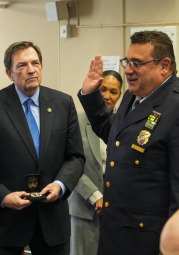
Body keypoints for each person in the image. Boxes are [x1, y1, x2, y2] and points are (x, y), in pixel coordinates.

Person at [77, 31, 179, 255]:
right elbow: (115, 135)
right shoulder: (133, 97)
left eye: (137, 63)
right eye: (127, 61)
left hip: (149, 244)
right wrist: (90, 94)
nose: (127, 70)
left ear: (164, 65)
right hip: (115, 237)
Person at [0, 41, 85, 255]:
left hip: (52, 222)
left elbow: (75, 157)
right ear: (9, 73)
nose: (31, 69)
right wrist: (4, 197)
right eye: (22, 65)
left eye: (35, 63)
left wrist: (60, 185)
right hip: (6, 224)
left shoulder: (63, 103)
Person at [68, 70, 123, 255]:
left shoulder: (126, 124)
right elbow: (69, 162)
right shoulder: (75, 119)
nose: (107, 96)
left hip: (117, 211)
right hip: (84, 209)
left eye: (113, 92)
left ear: (120, 95)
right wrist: (95, 195)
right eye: (102, 90)